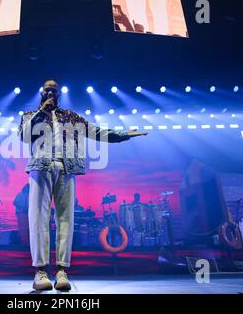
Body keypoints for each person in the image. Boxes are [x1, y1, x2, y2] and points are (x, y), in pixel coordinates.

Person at [18, 79, 148, 291]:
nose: (50, 91)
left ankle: (61, 270)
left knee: (65, 220)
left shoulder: (71, 116)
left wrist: (124, 135)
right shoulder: (30, 116)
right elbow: (24, 136)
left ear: (58, 94)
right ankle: (40, 271)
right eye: (47, 89)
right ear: (42, 93)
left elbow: (97, 132)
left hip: (67, 168)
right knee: (38, 219)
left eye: (54, 89)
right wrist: (42, 112)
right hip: (40, 168)